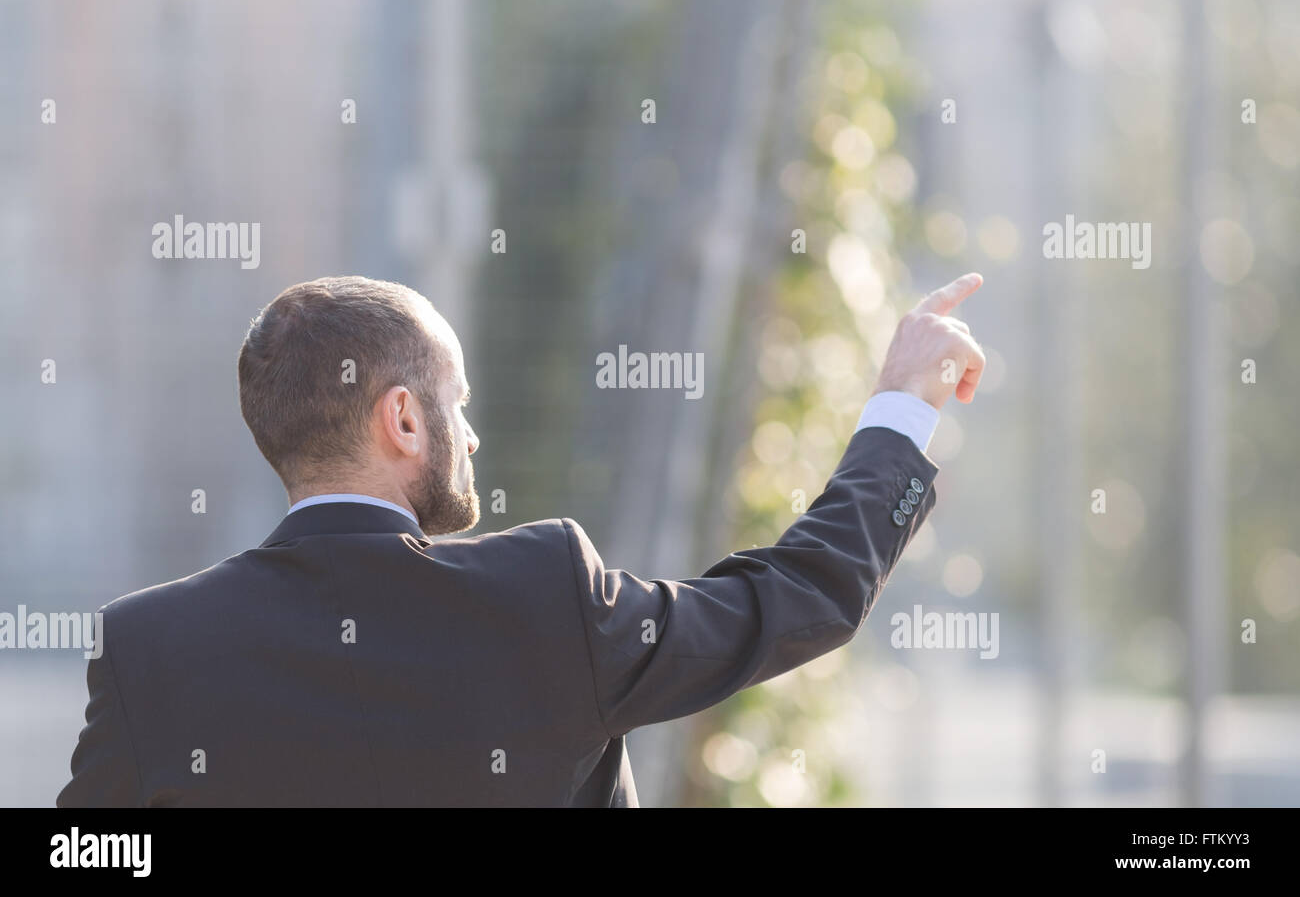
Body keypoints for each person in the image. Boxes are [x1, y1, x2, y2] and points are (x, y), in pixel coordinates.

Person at [57, 271, 984, 806]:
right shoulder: (542, 597)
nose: (472, 435)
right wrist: (901, 410)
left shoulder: (151, 649)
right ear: (403, 421)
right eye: (457, 403)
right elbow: (795, 600)